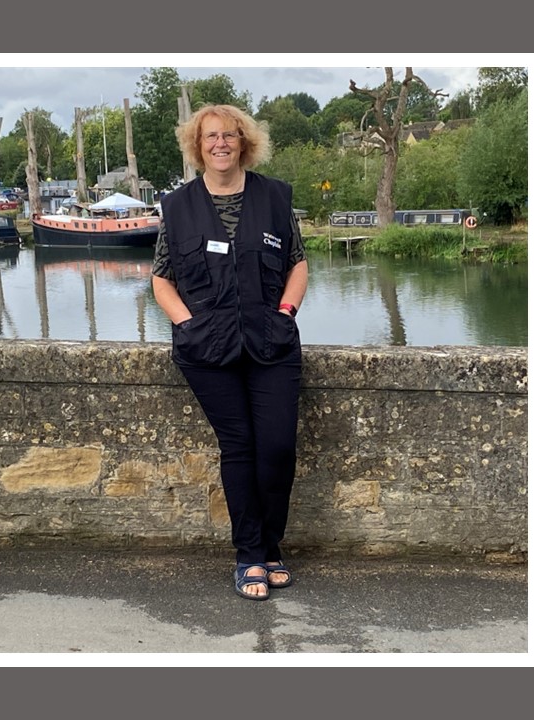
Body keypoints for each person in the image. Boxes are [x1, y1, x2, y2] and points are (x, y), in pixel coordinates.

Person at [151, 104, 308, 601]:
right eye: (210, 137)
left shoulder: (275, 197)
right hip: (207, 351)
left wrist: (285, 310)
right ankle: (251, 556)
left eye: (230, 135)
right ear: (197, 147)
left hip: (271, 342)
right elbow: (162, 279)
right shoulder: (177, 207)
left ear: (245, 142)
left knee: (278, 448)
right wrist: (188, 324)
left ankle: (271, 543)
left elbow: (298, 264)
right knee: (238, 449)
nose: (220, 143)